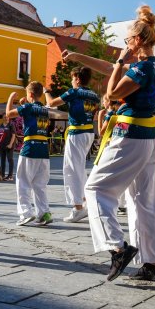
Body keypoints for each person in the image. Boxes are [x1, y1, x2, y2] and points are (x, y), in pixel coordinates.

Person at [65, 5, 155, 282]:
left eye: (126, 40)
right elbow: (112, 68)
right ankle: (154, 261)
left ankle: (117, 248)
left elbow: (111, 93)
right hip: (149, 137)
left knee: (95, 188)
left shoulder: (140, 69)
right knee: (143, 200)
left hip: (131, 135)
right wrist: (80, 57)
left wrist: (121, 63)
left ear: (137, 41)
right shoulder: (152, 64)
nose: (124, 46)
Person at [44, 66, 99, 223]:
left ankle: (77, 208)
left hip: (77, 133)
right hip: (88, 132)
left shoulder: (74, 92)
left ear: (77, 79)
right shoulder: (94, 94)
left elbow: (51, 103)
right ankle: (84, 200)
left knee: (71, 170)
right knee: (80, 168)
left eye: (72, 78)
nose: (71, 81)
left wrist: (46, 91)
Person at [6, 82, 52, 227]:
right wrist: (25, 103)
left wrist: (10, 99)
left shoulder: (28, 107)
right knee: (40, 184)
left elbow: (9, 114)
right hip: (44, 149)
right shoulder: (44, 109)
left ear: (30, 94)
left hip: (30, 148)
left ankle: (26, 214)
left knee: (23, 182)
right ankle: (44, 213)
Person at [0, 116, 16, 181]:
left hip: (9, 146)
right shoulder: (0, 125)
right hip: (1, 146)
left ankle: (10, 176)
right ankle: (2, 175)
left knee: (10, 160)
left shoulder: (11, 125)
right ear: (2, 118)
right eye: (4, 117)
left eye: (7, 117)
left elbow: (13, 135)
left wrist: (10, 144)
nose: (6, 118)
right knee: (2, 160)